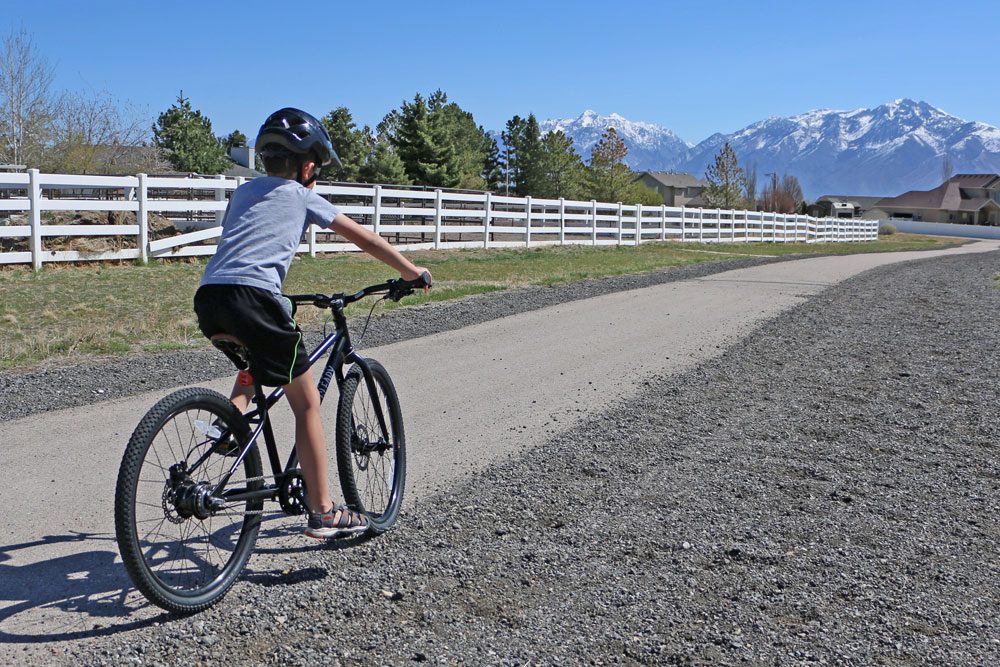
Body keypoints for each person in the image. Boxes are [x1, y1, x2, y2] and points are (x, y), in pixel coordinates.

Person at [193, 107, 431, 539]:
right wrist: (412, 272)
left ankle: (227, 424)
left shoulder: (242, 194)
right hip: (256, 298)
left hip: (210, 298)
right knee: (307, 403)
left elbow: (245, 245)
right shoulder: (303, 195)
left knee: (254, 362)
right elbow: (365, 238)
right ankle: (323, 512)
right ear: (306, 166)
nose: (316, 176)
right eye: (317, 168)